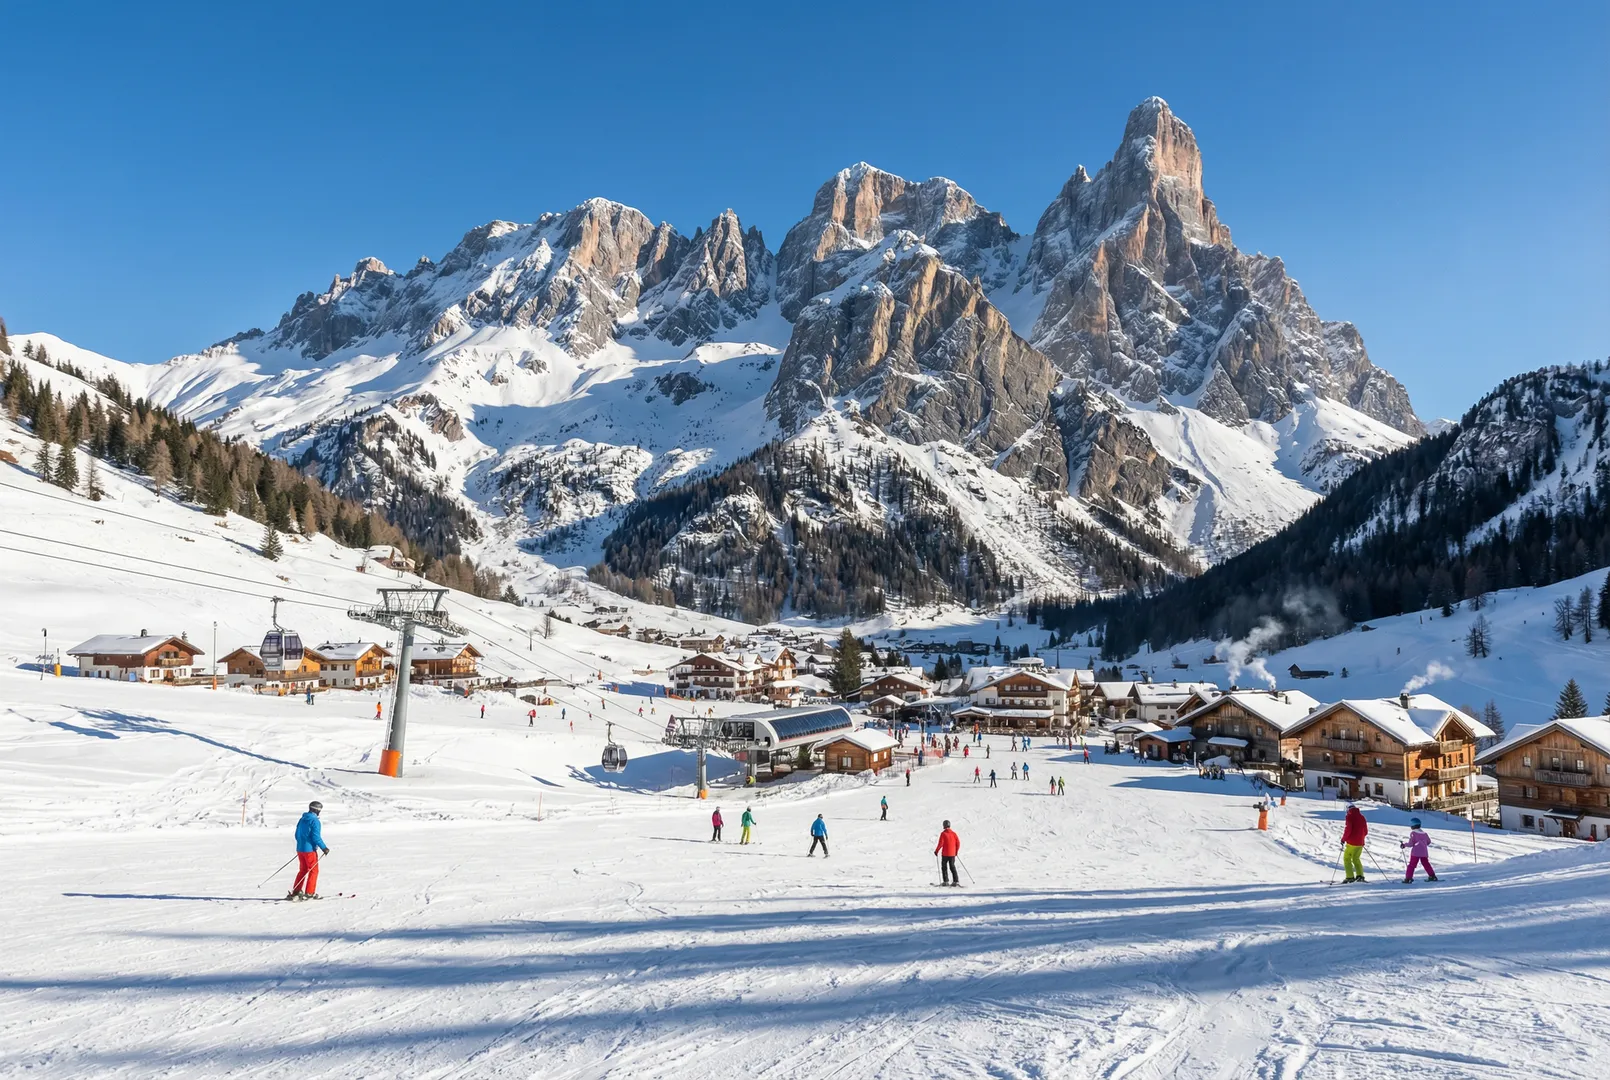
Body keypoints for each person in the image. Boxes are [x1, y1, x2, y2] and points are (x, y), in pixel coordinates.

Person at [288, 801, 330, 901]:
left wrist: (301, 845)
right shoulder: (315, 821)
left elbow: (297, 834)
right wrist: (324, 848)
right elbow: (316, 837)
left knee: (303, 870)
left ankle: (296, 891)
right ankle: (310, 893)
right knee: (313, 871)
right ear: (317, 810)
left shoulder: (302, 819)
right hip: (310, 850)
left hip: (300, 849)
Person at [1402, 818, 1437, 882]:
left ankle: (1408, 878)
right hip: (1424, 853)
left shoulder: (1413, 833)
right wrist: (1423, 844)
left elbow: (1411, 843)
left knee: (1412, 865)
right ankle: (1432, 876)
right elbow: (1428, 842)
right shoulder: (1424, 833)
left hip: (1415, 853)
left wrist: (1404, 845)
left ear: (1412, 826)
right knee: (1426, 864)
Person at [1341, 804, 1369, 883]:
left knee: (1347, 859)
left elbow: (1348, 829)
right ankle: (1360, 876)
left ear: (1348, 810)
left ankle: (1350, 877)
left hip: (1351, 843)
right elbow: (1366, 831)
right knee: (1356, 859)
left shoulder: (1349, 817)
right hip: (1360, 843)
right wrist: (1361, 837)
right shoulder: (1362, 817)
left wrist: (1343, 839)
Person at [935, 819, 961, 886]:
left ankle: (946, 881)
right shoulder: (954, 834)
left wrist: (936, 851)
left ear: (944, 825)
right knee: (952, 866)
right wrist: (956, 851)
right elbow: (958, 843)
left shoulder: (943, 834)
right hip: (952, 854)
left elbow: (940, 843)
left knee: (944, 867)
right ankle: (956, 881)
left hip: (945, 854)